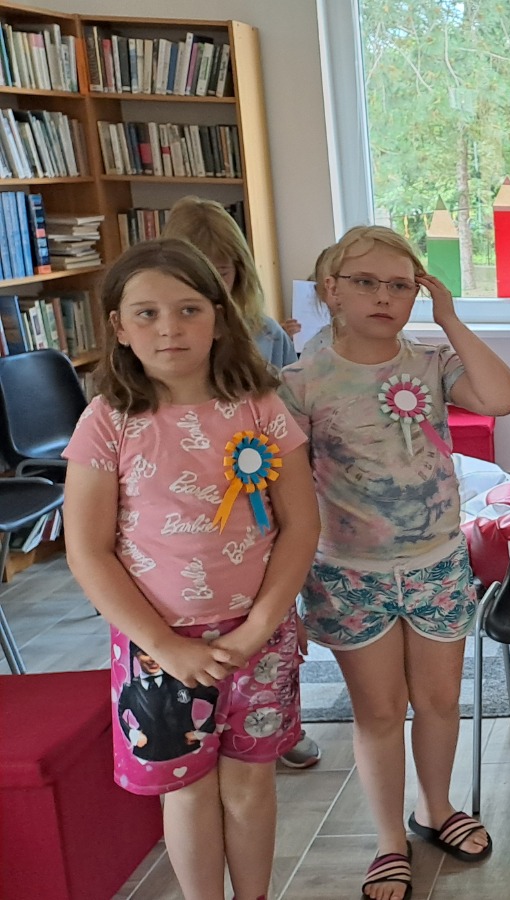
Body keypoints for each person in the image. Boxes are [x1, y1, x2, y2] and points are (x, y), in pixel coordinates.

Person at [62, 239, 320, 900]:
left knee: (250, 785)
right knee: (187, 791)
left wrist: (260, 627)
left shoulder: (262, 408)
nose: (169, 328)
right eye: (146, 313)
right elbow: (87, 550)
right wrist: (165, 645)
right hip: (158, 648)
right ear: (119, 327)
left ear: (219, 316)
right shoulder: (107, 422)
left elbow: (300, 526)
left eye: (188, 309)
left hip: (258, 639)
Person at [280, 226, 510, 900]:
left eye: (400, 284)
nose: (384, 296)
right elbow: (284, 499)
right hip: (348, 572)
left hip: (436, 562)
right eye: (366, 283)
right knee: (380, 712)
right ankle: (389, 839)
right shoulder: (299, 382)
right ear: (331, 290)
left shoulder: (431, 362)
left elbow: (502, 398)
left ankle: (435, 808)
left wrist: (450, 320)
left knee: (440, 700)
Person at [164, 198, 324, 770]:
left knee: (274, 609)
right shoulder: (158, 341)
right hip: (187, 514)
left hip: (260, 499)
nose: (215, 285)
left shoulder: (265, 332)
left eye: (225, 271)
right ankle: (189, 733)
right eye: (200, 273)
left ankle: (277, 723)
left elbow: (285, 418)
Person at [162, 196, 297, 370]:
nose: (211, 287)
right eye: (195, 277)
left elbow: (292, 385)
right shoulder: (162, 338)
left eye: (222, 274)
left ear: (240, 271)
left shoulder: (268, 334)